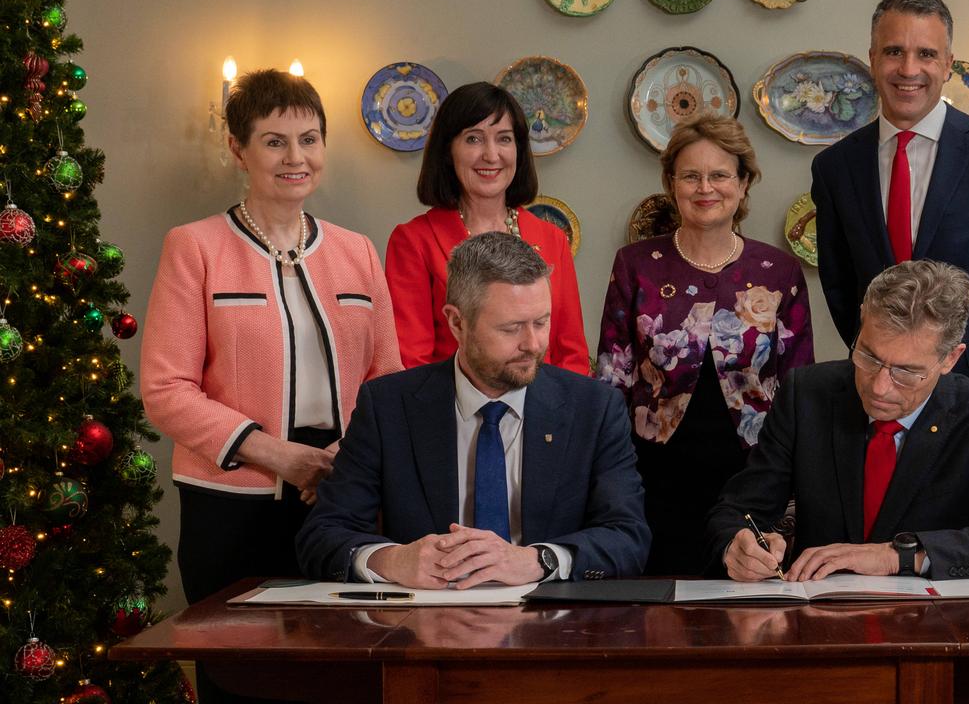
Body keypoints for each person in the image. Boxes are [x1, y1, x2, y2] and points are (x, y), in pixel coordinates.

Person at [140, 69, 401, 702]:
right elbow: (165, 388)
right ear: (238, 149)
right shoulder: (194, 247)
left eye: (309, 139)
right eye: (274, 141)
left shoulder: (358, 252)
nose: (296, 158)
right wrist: (277, 454)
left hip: (340, 499)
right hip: (232, 502)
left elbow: (387, 379)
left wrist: (349, 460)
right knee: (243, 678)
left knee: (342, 675)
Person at [297, 232, 649, 586]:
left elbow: (628, 537)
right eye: (511, 328)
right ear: (457, 322)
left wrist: (538, 560)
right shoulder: (388, 405)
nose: (533, 344)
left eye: (541, 322)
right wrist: (391, 560)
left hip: (553, 624)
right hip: (423, 623)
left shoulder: (594, 407)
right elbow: (322, 535)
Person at [708, 260, 969, 582]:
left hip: (936, 629)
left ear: (951, 358)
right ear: (862, 319)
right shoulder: (806, 395)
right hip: (820, 624)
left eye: (906, 372)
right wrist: (736, 548)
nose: (879, 386)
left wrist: (900, 556)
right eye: (868, 356)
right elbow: (737, 511)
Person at [597, 114, 813, 575]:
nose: (704, 188)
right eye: (690, 176)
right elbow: (611, 375)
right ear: (671, 183)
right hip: (653, 470)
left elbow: (799, 384)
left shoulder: (780, 271)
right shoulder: (636, 264)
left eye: (719, 175)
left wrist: (793, 484)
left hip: (752, 473)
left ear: (743, 182)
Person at [811, 0, 969, 394]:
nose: (909, 69)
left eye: (925, 54)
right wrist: (878, 356)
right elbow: (840, 284)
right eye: (893, 51)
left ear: (947, 65)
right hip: (878, 388)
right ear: (872, 59)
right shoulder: (835, 167)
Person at [385, 82, 589, 374]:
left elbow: (572, 355)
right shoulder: (414, 241)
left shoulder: (552, 238)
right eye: (473, 139)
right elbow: (411, 363)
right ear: (448, 151)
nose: (491, 155)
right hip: (450, 413)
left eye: (504, 139)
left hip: (543, 412)